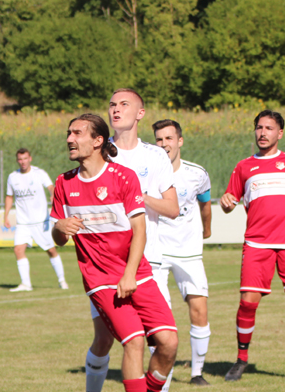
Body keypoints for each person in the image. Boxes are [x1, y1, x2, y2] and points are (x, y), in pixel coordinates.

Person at [52, 114, 178, 392]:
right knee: (133, 342)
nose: (70, 139)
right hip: (101, 281)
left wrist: (130, 274)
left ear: (98, 141)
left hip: (138, 275)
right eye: (69, 133)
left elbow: (139, 230)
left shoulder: (123, 177)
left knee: (169, 343)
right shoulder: (64, 183)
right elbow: (59, 240)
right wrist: (59, 227)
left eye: (77, 133)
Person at [85, 89, 180, 392]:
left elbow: (173, 208)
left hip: (148, 263)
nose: (116, 109)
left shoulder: (154, 156)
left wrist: (138, 198)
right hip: (106, 265)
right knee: (105, 339)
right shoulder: (97, 151)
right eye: (112, 104)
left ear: (140, 113)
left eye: (124, 104)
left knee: (163, 344)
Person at [220, 110, 285, 382]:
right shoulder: (243, 166)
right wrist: (225, 202)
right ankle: (241, 360)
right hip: (257, 244)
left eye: (268, 128)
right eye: (258, 128)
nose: (262, 133)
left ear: (280, 133)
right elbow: (230, 200)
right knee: (247, 303)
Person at [152, 119, 213, 386]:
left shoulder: (197, 173)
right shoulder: (148, 173)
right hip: (156, 253)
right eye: (159, 139)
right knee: (159, 319)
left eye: (168, 138)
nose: (164, 144)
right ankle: (163, 378)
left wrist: (207, 231)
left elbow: (205, 205)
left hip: (188, 252)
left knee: (199, 310)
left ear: (180, 141)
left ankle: (197, 373)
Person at [3, 147, 68, 292]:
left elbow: (51, 187)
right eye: (20, 159)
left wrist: (53, 194)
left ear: (30, 159)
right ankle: (26, 284)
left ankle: (62, 280)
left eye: (25, 158)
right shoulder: (13, 177)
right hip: (23, 223)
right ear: (17, 161)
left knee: (51, 250)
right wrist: (5, 215)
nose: (23, 162)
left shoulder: (39, 173)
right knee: (18, 250)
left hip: (41, 222)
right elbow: (9, 196)